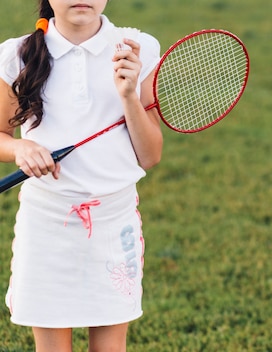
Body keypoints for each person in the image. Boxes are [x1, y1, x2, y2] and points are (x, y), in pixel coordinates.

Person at [0, 0, 162, 350]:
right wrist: (20, 149)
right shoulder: (17, 56)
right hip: (45, 227)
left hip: (112, 225)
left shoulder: (137, 49)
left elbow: (150, 155)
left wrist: (129, 95)